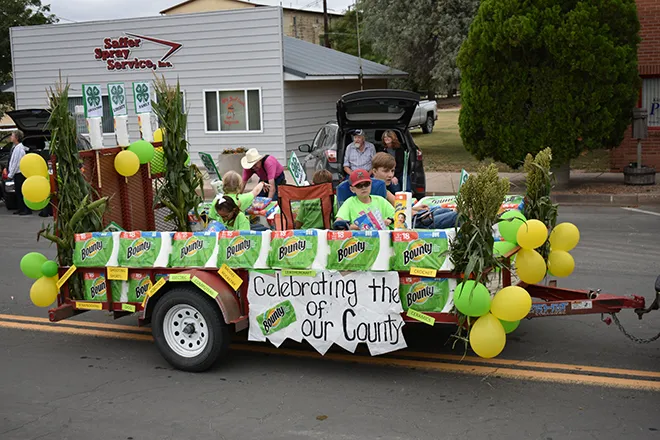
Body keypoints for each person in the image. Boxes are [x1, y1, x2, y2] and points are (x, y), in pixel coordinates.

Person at [7, 129, 31, 216]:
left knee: (21, 192)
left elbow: (16, 163)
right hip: (17, 173)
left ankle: (25, 209)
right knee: (18, 192)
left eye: (12, 136)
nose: (11, 137)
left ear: (16, 138)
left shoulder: (19, 149)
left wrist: (10, 174)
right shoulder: (16, 147)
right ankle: (20, 208)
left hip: (19, 173)